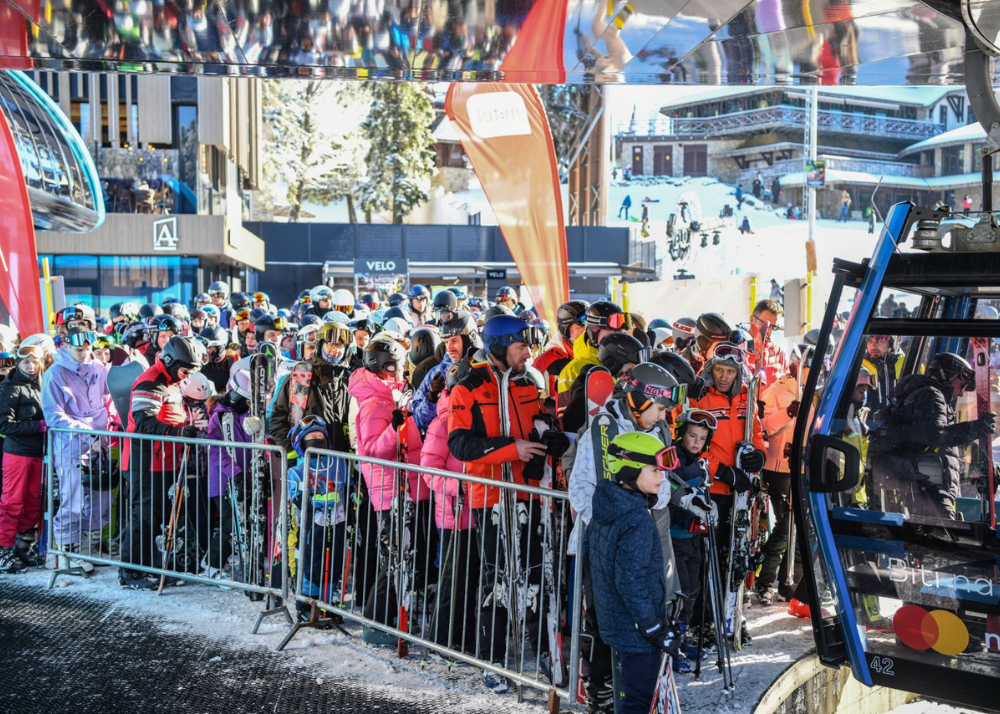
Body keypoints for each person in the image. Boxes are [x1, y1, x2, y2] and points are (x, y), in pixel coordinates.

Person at [447, 314, 557, 694]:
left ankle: (544, 651)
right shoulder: (468, 386)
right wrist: (513, 449)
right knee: (497, 579)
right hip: (491, 497)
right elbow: (459, 444)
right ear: (499, 346)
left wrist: (549, 436)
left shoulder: (529, 382)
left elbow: (537, 427)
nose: (528, 354)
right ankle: (492, 659)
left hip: (529, 493)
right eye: (521, 347)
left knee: (535, 574)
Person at [588, 431, 681, 714]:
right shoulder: (636, 519)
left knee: (632, 695)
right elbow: (630, 580)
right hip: (636, 629)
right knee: (639, 701)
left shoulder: (607, 504)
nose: (662, 477)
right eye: (654, 470)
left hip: (616, 619)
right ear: (629, 469)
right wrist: (653, 627)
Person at [118, 335, 203, 590]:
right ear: (170, 361)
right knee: (144, 515)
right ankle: (131, 571)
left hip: (164, 460)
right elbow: (143, 419)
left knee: (159, 516)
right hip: (144, 459)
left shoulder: (171, 381)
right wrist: (177, 432)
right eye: (185, 370)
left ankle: (153, 566)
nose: (186, 376)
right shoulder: (151, 380)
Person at [870, 352, 994, 523]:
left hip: (925, 487)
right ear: (948, 375)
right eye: (962, 385)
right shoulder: (931, 395)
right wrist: (976, 428)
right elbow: (937, 436)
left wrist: (980, 466)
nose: (960, 394)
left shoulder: (920, 396)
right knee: (944, 535)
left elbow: (939, 448)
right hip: (928, 490)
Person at [42, 326, 115, 574]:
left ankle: (87, 547)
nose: (84, 354)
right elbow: (54, 416)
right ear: (66, 346)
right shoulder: (55, 374)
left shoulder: (98, 368)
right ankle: (67, 552)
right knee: (72, 499)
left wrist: (107, 427)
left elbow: (111, 397)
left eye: (87, 349)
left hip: (99, 442)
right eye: (78, 350)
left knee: (101, 497)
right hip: (70, 444)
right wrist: (87, 431)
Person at [419, 363, 478, 653]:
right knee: (453, 581)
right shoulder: (441, 424)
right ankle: (441, 639)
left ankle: (465, 637)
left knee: (471, 581)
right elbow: (429, 470)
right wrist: (459, 486)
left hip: (477, 512)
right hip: (454, 515)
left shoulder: (475, 420)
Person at [667, 410, 717, 671]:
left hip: (693, 538)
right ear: (681, 434)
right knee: (680, 590)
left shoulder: (698, 463)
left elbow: (701, 497)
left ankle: (683, 637)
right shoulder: (672, 459)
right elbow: (667, 502)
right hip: (675, 537)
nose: (696, 442)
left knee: (694, 589)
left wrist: (708, 513)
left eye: (702, 438)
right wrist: (690, 521)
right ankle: (672, 645)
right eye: (692, 436)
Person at [0, 341, 47, 574]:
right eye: (26, 362)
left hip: (37, 452)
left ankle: (22, 548)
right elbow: (5, 425)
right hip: (17, 453)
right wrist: (38, 426)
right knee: (12, 502)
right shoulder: (10, 387)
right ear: (18, 363)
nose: (31, 367)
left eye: (34, 362)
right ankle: (3, 550)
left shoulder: (40, 385)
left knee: (32, 502)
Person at [410, 311, 479, 432]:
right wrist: (431, 399)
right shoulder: (437, 373)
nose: (449, 348)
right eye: (446, 342)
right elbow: (417, 421)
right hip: (444, 440)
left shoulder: (487, 368)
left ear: (470, 339)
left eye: (454, 341)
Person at [534, 300, 588, 402]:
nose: (587, 330)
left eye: (590, 324)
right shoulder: (545, 363)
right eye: (581, 325)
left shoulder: (600, 354)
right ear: (565, 328)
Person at [748, 299, 788, 387]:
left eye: (773, 327)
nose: (769, 331)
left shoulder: (779, 352)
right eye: (766, 324)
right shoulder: (738, 347)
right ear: (752, 319)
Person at [862, 334, 903, 419]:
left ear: (892, 343)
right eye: (870, 341)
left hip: (899, 422)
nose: (873, 346)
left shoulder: (908, 362)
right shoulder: (860, 366)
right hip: (868, 422)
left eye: (880, 340)